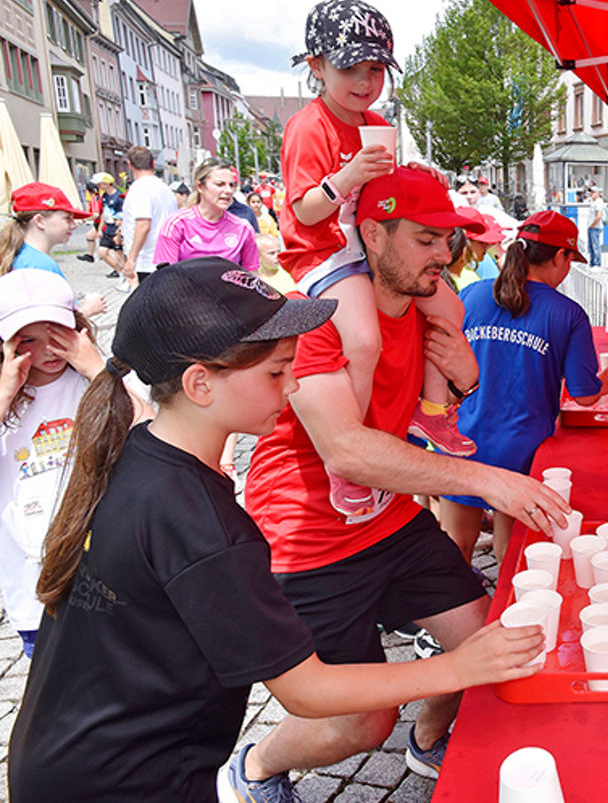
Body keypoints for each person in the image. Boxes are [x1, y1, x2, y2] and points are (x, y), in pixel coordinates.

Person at [5, 258, 544, 801]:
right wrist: (458, 666)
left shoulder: (138, 451)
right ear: (200, 383)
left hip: (61, 760)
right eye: (275, 372)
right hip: (129, 783)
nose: (294, 384)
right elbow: (308, 689)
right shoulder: (204, 526)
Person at [242, 171, 568, 794]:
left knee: (494, 646)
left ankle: (426, 741)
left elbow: (438, 412)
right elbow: (345, 451)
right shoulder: (316, 318)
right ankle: (255, 765)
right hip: (308, 540)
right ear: (371, 232)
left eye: (446, 240)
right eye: (424, 240)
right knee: (362, 725)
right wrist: (490, 482)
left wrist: (464, 378)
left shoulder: (427, 306)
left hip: (389, 520)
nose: (442, 256)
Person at [281, 0, 474, 518]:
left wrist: (419, 175)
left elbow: (387, 190)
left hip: (360, 247)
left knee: (449, 310)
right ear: (316, 66)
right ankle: (352, 455)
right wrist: (347, 177)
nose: (366, 81)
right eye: (350, 68)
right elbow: (305, 207)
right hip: (324, 252)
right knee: (363, 340)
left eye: (376, 68)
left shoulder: (371, 119)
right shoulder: (309, 125)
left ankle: (432, 412)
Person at [439, 210, 608, 562]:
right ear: (561, 256)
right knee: (511, 555)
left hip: (461, 439)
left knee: (454, 549)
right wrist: (605, 385)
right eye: (569, 259)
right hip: (522, 453)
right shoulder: (568, 313)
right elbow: (584, 393)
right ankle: (505, 616)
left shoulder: (472, 295)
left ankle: (457, 615)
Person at [0, 270, 137, 659]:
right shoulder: (6, 395)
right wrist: (5, 394)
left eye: (55, 334)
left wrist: (98, 370)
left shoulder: (95, 380)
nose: (46, 351)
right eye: (27, 340)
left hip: (109, 569)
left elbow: (149, 427)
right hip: (35, 586)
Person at [0, 183, 107, 318]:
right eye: (67, 218)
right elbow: (47, 325)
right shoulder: (39, 264)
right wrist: (88, 310)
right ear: (39, 221)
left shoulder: (22, 255)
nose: (74, 225)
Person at [154, 157, 260, 271]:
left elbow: (251, 276)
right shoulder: (176, 224)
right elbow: (165, 278)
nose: (228, 190)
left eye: (232, 185)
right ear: (200, 186)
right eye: (220, 184)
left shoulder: (243, 228)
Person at [120, 145, 177, 289]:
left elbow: (144, 224)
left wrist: (131, 258)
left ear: (129, 165)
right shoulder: (165, 188)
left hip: (147, 260)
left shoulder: (140, 189)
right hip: (166, 257)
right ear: (152, 163)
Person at [584, 185, 606, 268]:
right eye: (590, 192)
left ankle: (597, 263)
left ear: (597, 193)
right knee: (591, 246)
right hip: (592, 227)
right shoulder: (594, 202)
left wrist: (592, 225)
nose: (591, 194)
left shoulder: (599, 202)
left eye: (593, 192)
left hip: (595, 228)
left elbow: (598, 215)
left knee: (595, 245)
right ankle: (592, 263)